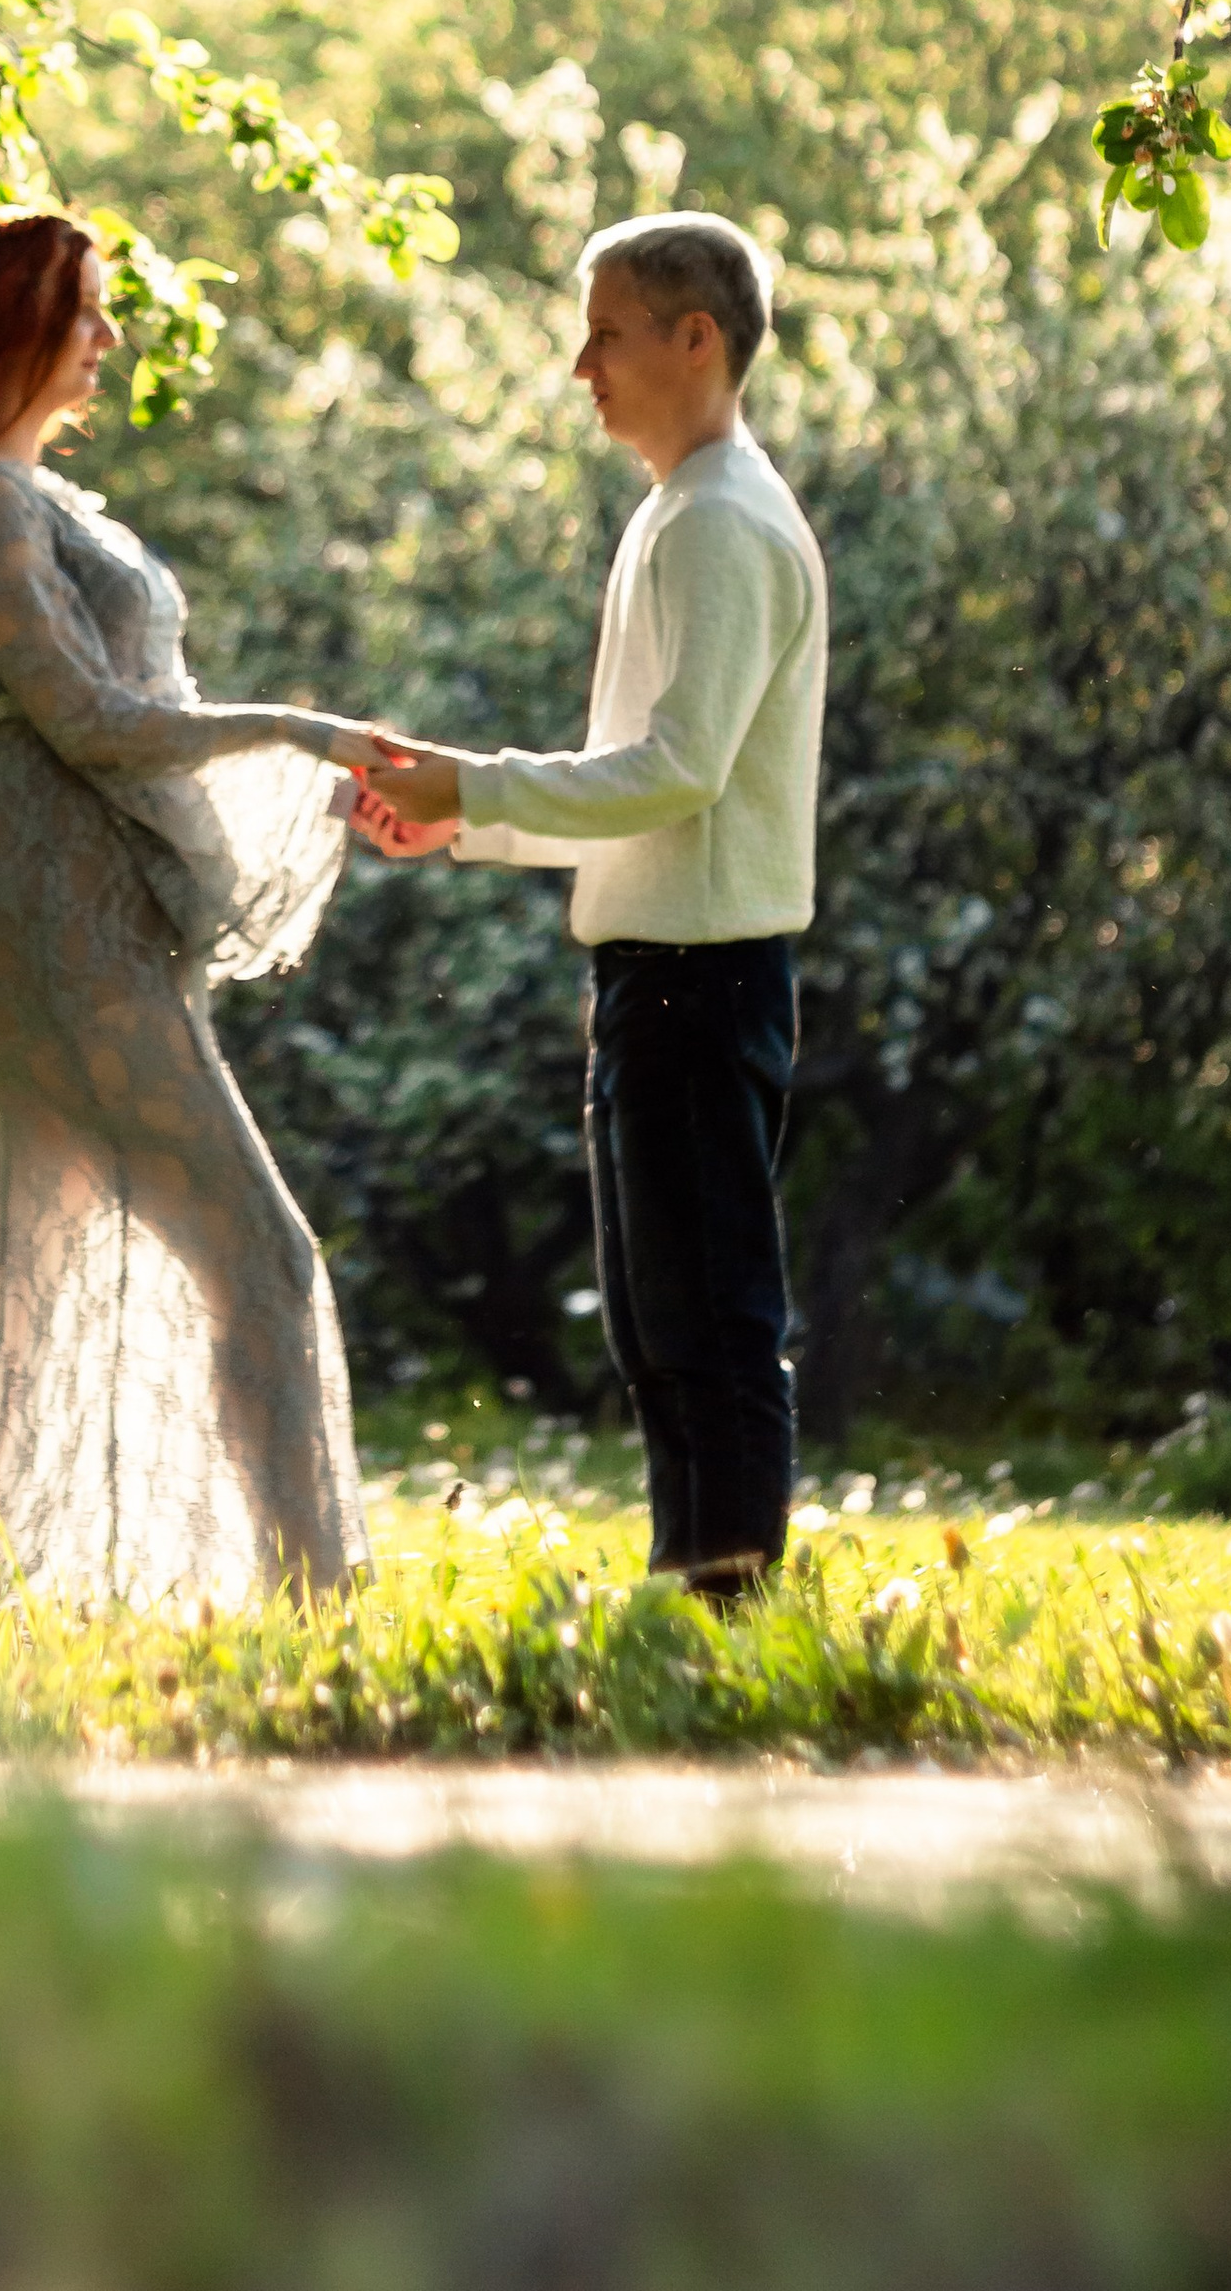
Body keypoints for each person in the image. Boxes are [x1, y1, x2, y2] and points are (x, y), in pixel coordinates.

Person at [0, 208, 379, 1608]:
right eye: (86, 309)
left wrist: (311, 774)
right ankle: (314, 1600)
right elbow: (98, 722)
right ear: (11, 327)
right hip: (52, 942)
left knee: (8, 1273)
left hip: (84, 931)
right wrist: (309, 736)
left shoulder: (31, 503)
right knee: (256, 1249)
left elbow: (137, 719)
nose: (111, 338)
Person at [357, 213, 827, 1604]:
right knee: (654, 1320)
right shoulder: (679, 513)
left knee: (709, 1318)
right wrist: (458, 818)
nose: (580, 366)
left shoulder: (723, 526)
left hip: (702, 975)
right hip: (656, 969)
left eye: (606, 331)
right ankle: (699, 1590)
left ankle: (732, 1604)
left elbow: (678, 771)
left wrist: (468, 786)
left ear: (698, 339)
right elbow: (642, 776)